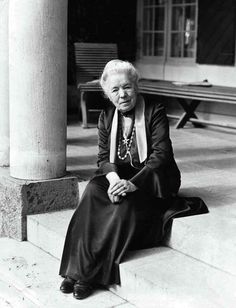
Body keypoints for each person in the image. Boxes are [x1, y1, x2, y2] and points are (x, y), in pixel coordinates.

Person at [59, 59, 208, 300]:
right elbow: (102, 159)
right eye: (115, 90)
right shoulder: (107, 116)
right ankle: (73, 271)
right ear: (108, 95)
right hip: (122, 175)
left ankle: (88, 275)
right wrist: (116, 179)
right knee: (93, 191)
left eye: (127, 86)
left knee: (121, 205)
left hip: (153, 179)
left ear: (136, 86)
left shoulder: (154, 111)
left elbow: (162, 156)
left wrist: (133, 183)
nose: (123, 94)